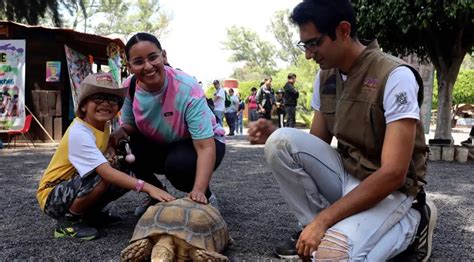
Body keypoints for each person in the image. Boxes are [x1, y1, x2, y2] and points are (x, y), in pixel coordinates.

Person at [248, 1, 437, 261]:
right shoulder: (325, 77)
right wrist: (273, 133)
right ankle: (315, 232)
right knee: (280, 142)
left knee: (331, 255)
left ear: (344, 30)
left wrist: (325, 219)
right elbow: (315, 147)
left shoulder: (395, 76)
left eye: (314, 43)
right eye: (305, 45)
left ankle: (414, 224)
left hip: (392, 190)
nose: (308, 54)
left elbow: (394, 173)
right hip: (348, 177)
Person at [36, 73, 175, 240]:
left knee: (123, 167)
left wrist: (110, 147)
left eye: (112, 99)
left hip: (73, 184)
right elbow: (106, 173)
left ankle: (89, 214)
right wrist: (148, 187)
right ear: (83, 105)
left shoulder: (103, 125)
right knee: (104, 175)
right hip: (52, 195)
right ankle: (68, 222)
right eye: (98, 98)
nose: (106, 103)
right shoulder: (79, 132)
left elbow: (102, 145)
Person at [110, 32, 226, 216]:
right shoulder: (129, 87)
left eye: (153, 57)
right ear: (130, 66)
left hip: (204, 143)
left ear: (164, 56)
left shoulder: (187, 88)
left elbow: (205, 146)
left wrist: (198, 190)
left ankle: (206, 197)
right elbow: (130, 126)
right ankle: (157, 194)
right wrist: (118, 133)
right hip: (163, 143)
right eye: (138, 61)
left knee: (178, 166)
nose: (148, 66)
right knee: (123, 148)